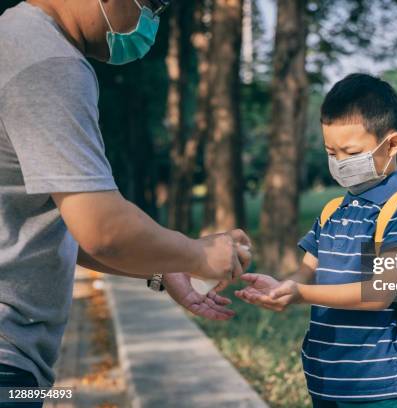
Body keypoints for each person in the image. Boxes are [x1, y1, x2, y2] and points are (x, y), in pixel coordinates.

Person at [0, 0, 251, 400]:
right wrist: (200, 254)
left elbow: (50, 229)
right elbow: (102, 229)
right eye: (151, 5)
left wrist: (163, 269)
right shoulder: (50, 61)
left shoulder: (14, 37)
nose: (150, 21)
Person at [236, 73, 397, 407]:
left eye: (351, 152)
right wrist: (282, 287)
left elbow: (381, 293)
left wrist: (300, 295)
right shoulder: (331, 211)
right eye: (331, 152)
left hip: (378, 386)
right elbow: (307, 271)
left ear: (393, 144)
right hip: (326, 377)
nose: (340, 163)